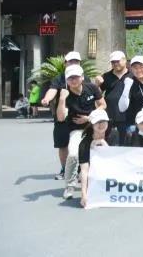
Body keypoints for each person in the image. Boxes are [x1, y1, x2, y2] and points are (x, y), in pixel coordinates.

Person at [56, 64, 106, 200]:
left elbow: (103, 105)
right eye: (70, 78)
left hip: (95, 127)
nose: (73, 80)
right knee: (73, 154)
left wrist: (89, 117)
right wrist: (62, 99)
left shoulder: (92, 88)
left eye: (76, 77)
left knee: (104, 152)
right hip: (77, 130)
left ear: (82, 77)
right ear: (66, 80)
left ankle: (104, 183)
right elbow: (60, 117)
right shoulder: (64, 94)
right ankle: (69, 186)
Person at [40, 50, 83, 180]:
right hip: (62, 115)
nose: (73, 63)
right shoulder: (59, 78)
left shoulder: (83, 77)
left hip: (79, 116)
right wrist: (46, 99)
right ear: (65, 63)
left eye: (76, 61)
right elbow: (52, 90)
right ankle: (65, 170)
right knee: (62, 144)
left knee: (80, 144)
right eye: (70, 61)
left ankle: (81, 170)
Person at [77, 109, 119, 207]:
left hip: (110, 168)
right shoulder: (84, 143)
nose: (101, 124)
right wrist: (83, 194)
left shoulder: (114, 134)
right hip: (92, 171)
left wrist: (105, 146)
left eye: (103, 121)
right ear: (92, 124)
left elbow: (116, 160)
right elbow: (84, 170)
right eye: (97, 122)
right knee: (83, 175)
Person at [94, 51, 131, 138]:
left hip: (128, 118)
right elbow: (98, 95)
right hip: (110, 117)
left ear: (125, 60)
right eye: (113, 62)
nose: (115, 64)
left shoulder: (132, 75)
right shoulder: (106, 76)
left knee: (126, 143)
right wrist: (97, 85)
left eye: (117, 61)